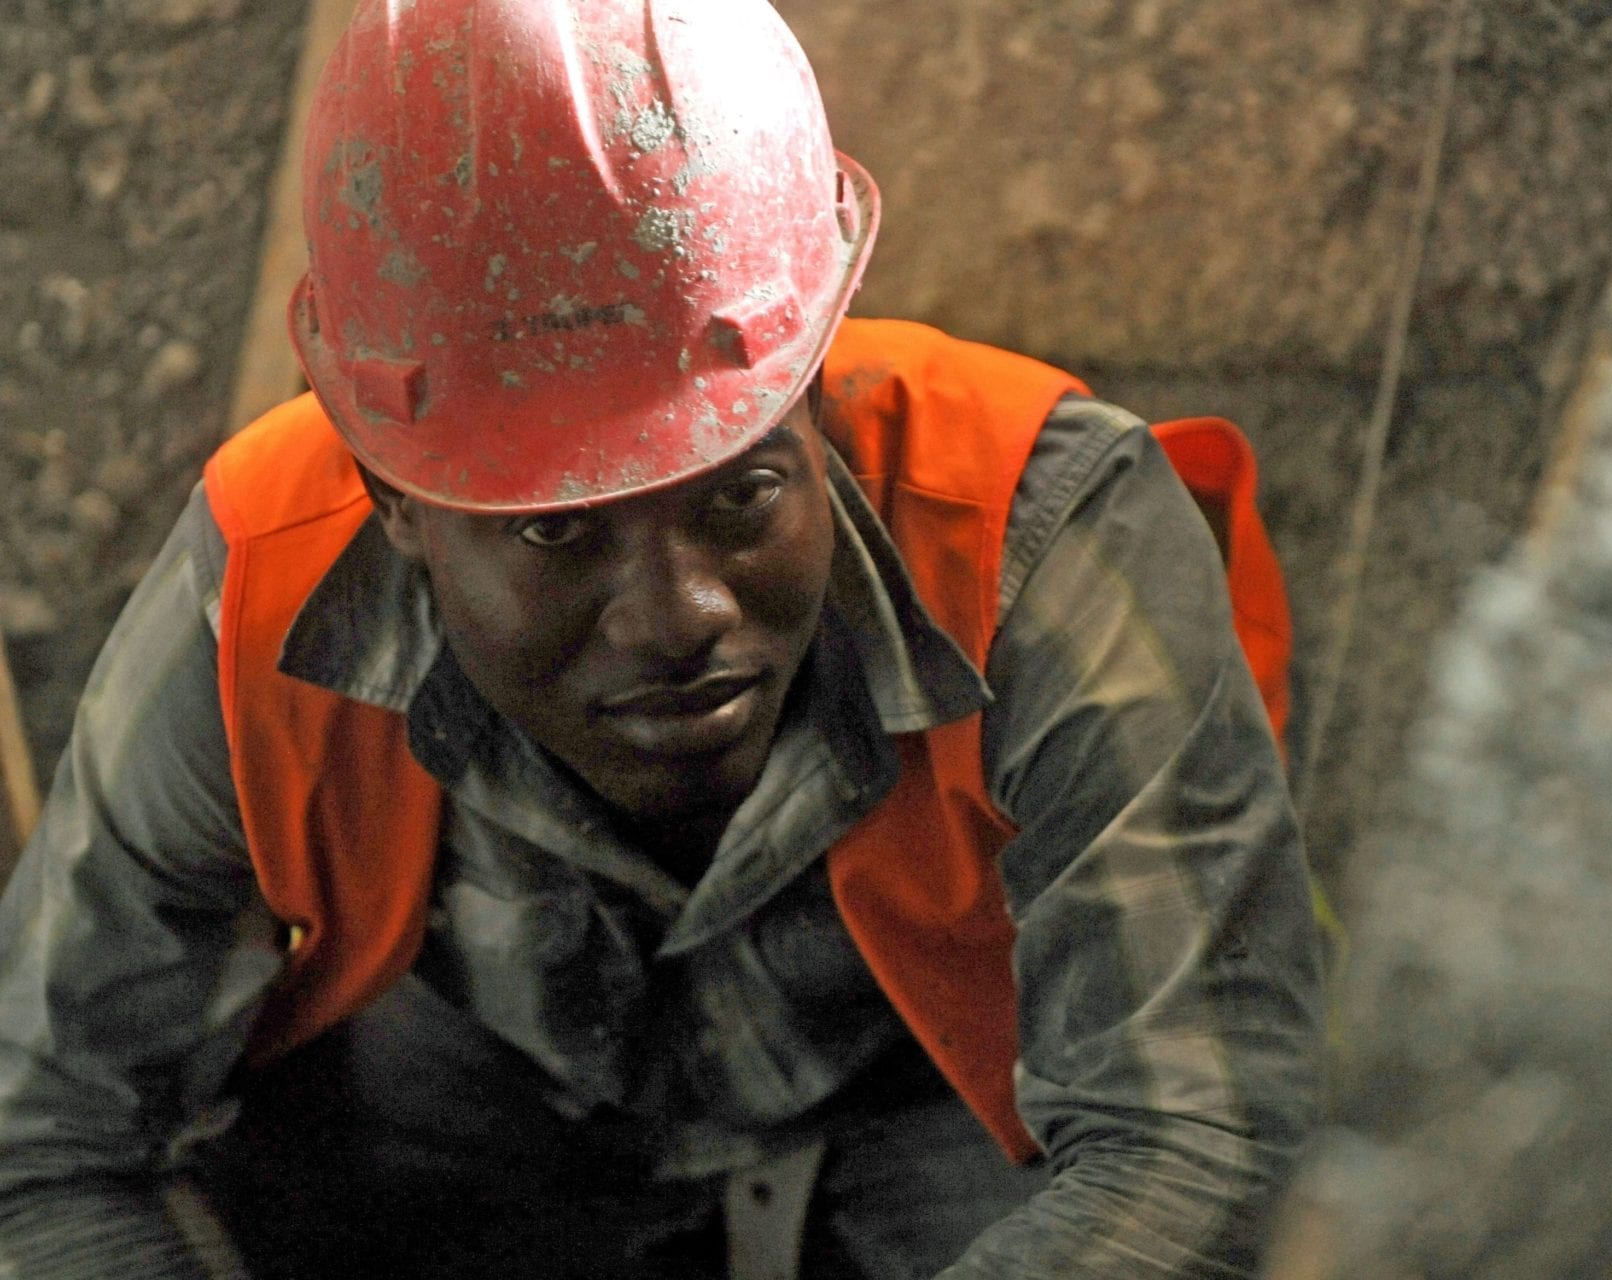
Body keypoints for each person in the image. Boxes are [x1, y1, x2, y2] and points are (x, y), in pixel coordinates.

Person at [0, 0, 1326, 1276]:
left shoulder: (1038, 533)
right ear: (398, 499)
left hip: (940, 1095)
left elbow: (1192, 1140)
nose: (678, 617)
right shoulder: (266, 577)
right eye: (553, 534)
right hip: (494, 1104)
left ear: (810, 389)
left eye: (740, 494)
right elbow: (45, 1140)